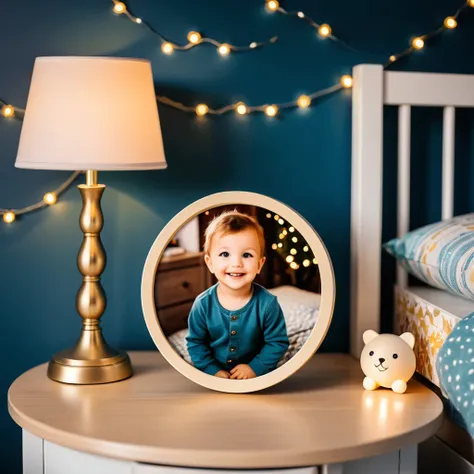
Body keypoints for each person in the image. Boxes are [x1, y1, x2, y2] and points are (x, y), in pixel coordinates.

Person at [186, 210, 289, 379]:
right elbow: (196, 344)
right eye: (225, 254)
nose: (236, 263)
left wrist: (255, 368)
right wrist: (212, 370)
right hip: (214, 379)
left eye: (247, 255)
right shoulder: (203, 304)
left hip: (258, 378)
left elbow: (277, 343)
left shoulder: (268, 304)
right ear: (210, 263)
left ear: (259, 264)